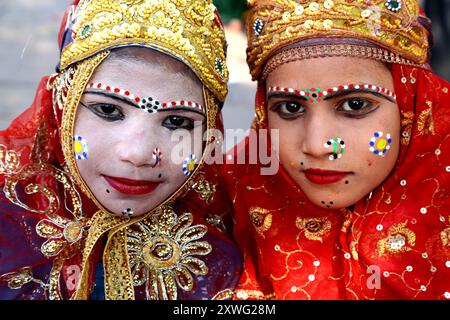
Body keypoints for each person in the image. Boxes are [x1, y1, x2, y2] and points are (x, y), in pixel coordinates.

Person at [0, 0, 242, 300]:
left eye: (177, 121)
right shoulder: (8, 215)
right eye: (108, 110)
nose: (138, 153)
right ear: (62, 103)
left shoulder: (230, 255)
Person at [222, 0, 450, 299]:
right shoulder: (225, 205)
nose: (317, 145)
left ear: (413, 104)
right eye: (290, 107)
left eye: (354, 105)